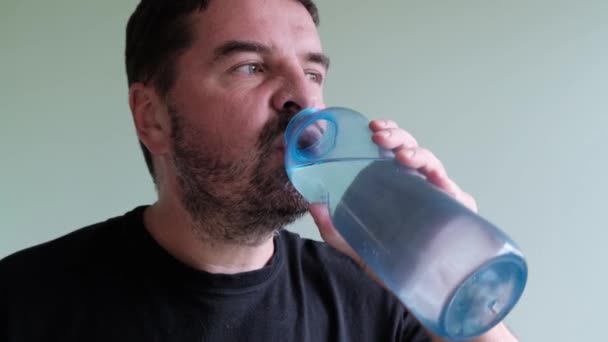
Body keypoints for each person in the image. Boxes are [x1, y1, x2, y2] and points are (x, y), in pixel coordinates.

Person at [0, 0, 519, 341]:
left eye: (312, 71)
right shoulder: (26, 302)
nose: (304, 97)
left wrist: (447, 270)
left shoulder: (377, 298)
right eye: (249, 66)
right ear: (151, 117)